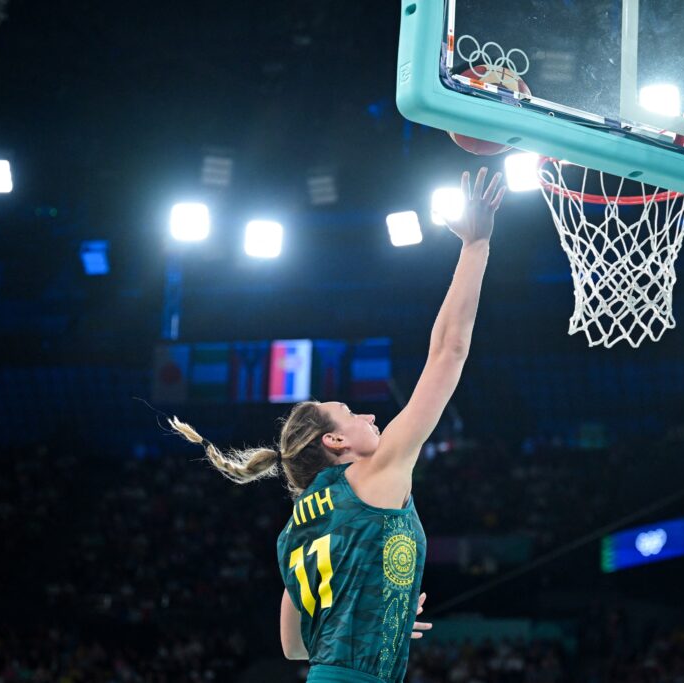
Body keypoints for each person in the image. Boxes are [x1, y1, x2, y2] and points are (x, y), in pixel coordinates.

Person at [169, 167, 506, 682]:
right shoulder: (374, 474)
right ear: (335, 441)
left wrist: (369, 611)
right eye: (353, 414)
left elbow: (291, 647)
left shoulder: (300, 524)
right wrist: (476, 246)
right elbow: (448, 351)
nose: (371, 416)